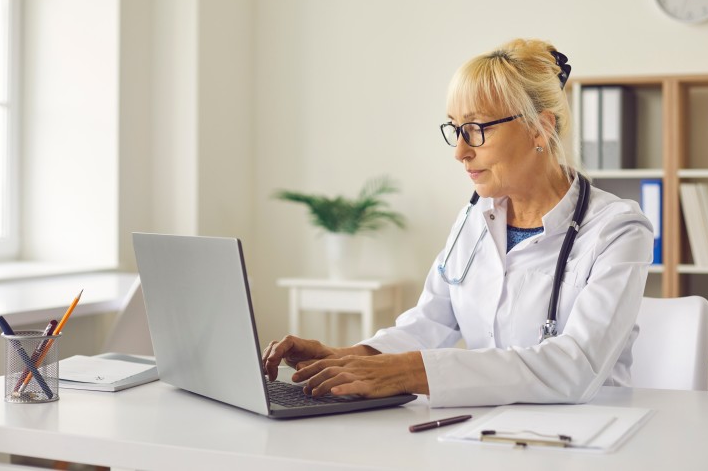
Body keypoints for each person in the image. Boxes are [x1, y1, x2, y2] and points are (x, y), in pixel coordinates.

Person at [262, 38, 653, 407]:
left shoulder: (617, 230)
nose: (461, 152)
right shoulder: (475, 220)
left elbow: (576, 366)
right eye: (456, 129)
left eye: (477, 129)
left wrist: (414, 372)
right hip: (488, 430)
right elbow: (429, 323)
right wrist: (347, 356)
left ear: (540, 128)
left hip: (588, 437)